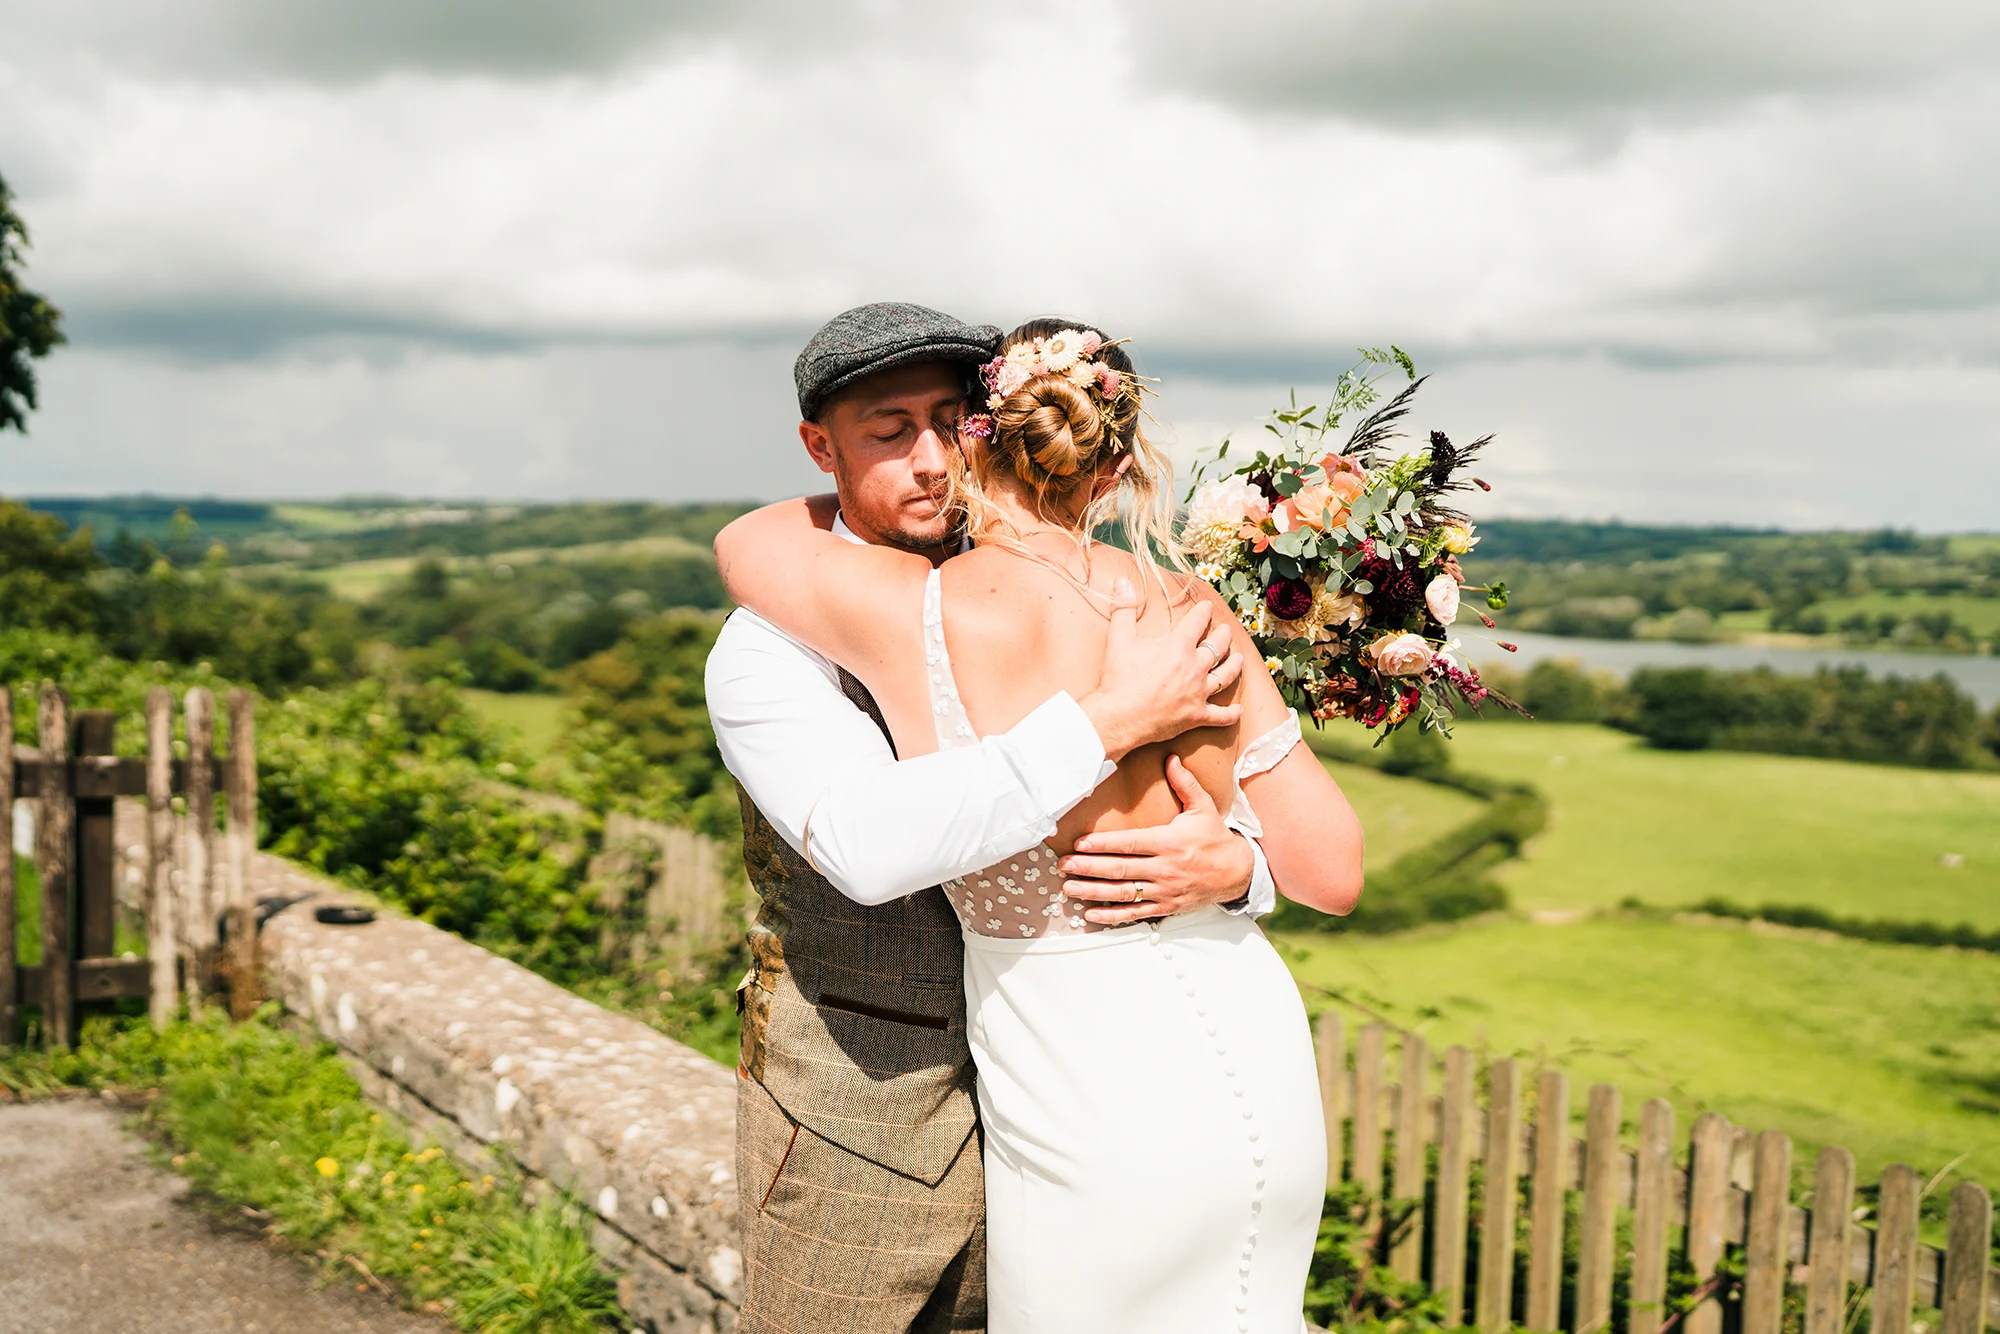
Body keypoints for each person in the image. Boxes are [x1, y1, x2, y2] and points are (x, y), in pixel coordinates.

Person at [714, 312, 1364, 1332]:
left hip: (1085, 1090)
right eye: (890, 431)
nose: (928, 461)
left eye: (948, 422)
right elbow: (867, 847)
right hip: (1225, 1069)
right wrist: (1111, 723)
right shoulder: (1186, 605)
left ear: (985, 434)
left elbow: (740, 538)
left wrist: (1234, 867)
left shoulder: (922, 609)